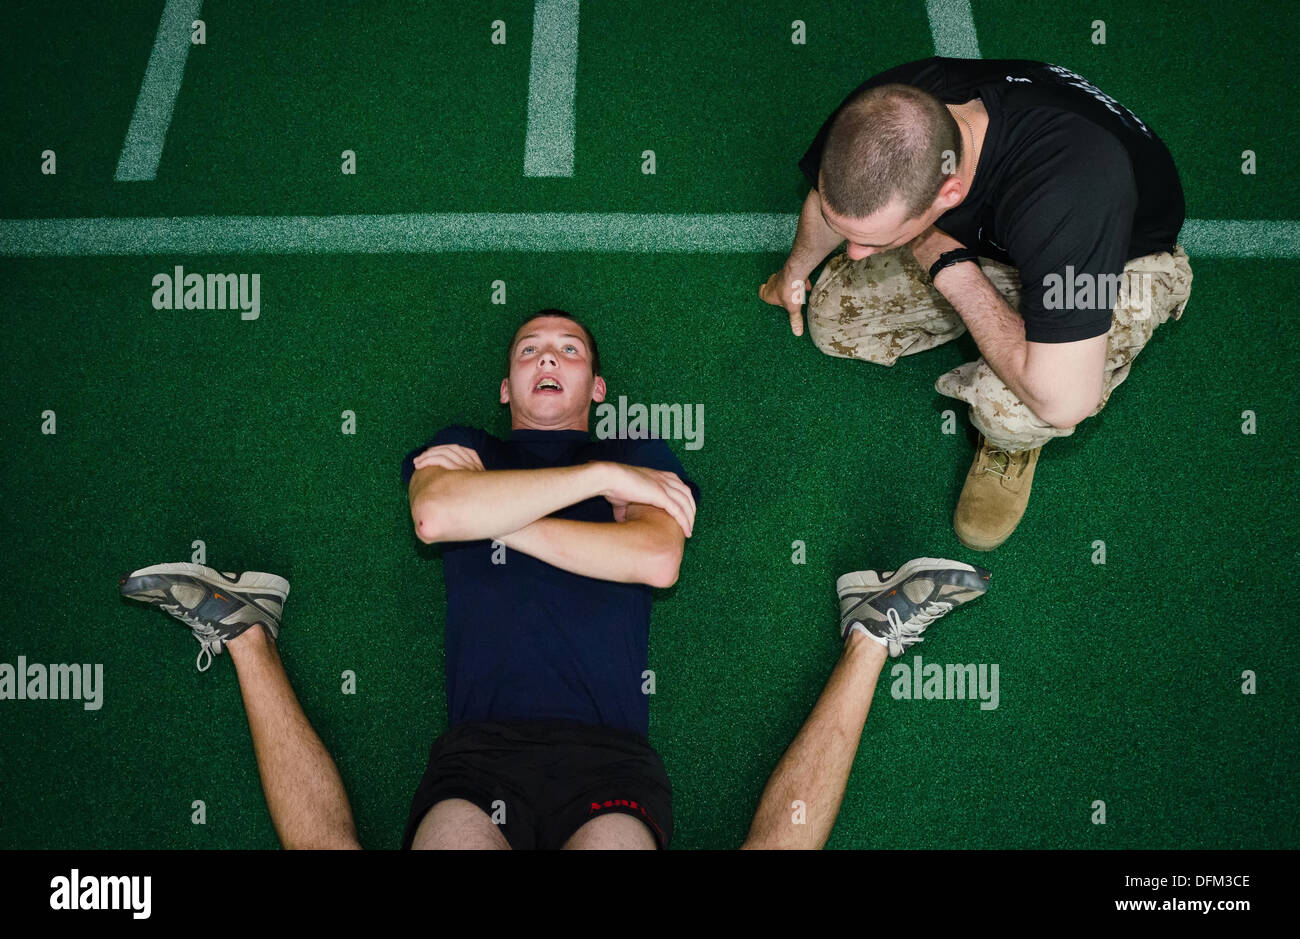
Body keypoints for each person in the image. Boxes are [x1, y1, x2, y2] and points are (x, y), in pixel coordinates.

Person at [120, 309, 701, 850]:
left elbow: (656, 559)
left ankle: (247, 631)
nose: (547, 357)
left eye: (569, 350)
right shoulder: (471, 446)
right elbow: (434, 516)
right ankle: (251, 635)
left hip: (609, 759)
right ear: (506, 389)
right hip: (481, 759)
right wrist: (600, 479)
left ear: (598, 388)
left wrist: (487, 515)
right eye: (529, 350)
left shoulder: (639, 455)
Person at [760, 57, 1193, 550]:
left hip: (1110, 262)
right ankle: (1009, 322)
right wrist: (793, 273)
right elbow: (825, 203)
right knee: (834, 320)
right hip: (1004, 240)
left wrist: (949, 266)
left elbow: (1066, 402)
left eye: (873, 241)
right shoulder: (888, 110)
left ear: (949, 194)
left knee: (1014, 408)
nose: (855, 253)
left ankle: (1012, 441)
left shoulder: (1071, 194)